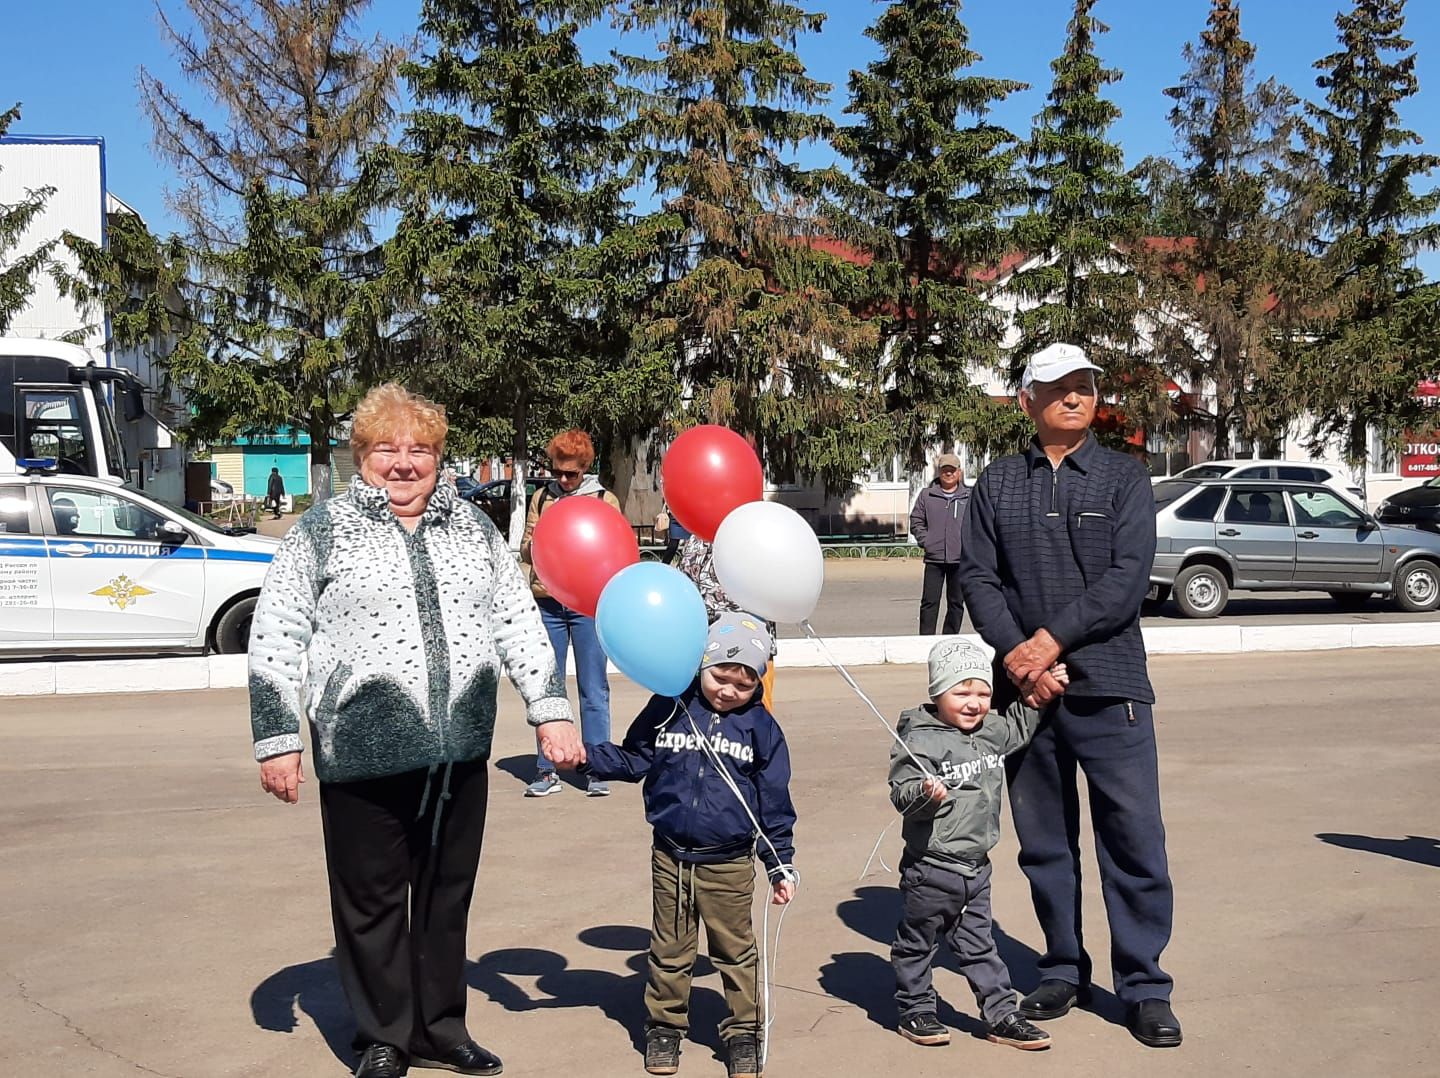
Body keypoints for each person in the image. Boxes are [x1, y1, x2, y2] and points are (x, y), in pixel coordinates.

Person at [248, 383, 583, 1078]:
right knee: (370, 902)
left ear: (438, 455)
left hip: (458, 749)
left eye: (420, 449)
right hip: (360, 748)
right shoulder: (323, 530)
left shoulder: (474, 529)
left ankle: (441, 1029)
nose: (404, 462)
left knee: (444, 896)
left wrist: (549, 711)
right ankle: (384, 1036)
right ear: (361, 455)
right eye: (387, 449)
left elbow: (517, 620)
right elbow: (277, 635)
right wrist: (278, 739)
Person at [958, 342, 1181, 1049]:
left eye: (1084, 385)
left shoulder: (1123, 478)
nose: (1075, 396)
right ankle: (1061, 966)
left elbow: (1125, 581)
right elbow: (978, 580)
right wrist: (1022, 664)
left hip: (1110, 690)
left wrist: (1049, 643)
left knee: (1133, 839)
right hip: (1025, 700)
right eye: (1058, 387)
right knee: (1044, 844)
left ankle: (1143, 985)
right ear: (1028, 400)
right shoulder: (997, 484)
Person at [570, 613, 797, 1078]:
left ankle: (743, 1032)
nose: (728, 690)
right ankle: (664, 1026)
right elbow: (635, 758)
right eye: (720, 676)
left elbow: (772, 802)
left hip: (729, 862)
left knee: (735, 951)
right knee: (670, 948)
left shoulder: (762, 731)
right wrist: (584, 758)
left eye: (744, 683)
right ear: (701, 665)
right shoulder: (670, 706)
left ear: (758, 683)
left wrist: (780, 863)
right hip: (669, 853)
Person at [889, 639, 1061, 1053]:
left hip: (976, 868)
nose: (974, 703)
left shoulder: (991, 730)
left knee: (980, 945)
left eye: (982, 693)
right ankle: (916, 1008)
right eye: (961, 693)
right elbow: (901, 793)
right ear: (937, 693)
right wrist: (924, 793)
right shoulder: (919, 738)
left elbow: (1020, 724)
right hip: (930, 867)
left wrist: (1040, 692)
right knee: (918, 943)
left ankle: (1001, 1015)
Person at [519, 429, 621, 798]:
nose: (563, 480)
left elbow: (615, 551)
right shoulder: (542, 498)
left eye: (571, 474)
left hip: (587, 607)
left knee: (593, 688)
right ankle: (547, 769)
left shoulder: (603, 500)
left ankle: (596, 767)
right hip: (547, 604)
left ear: (585, 469)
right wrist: (546, 536)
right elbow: (525, 549)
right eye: (557, 472)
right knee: (548, 687)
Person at [676, 534, 778, 711]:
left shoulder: (758, 533)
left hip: (752, 653)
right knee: (694, 714)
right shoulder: (697, 539)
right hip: (704, 651)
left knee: (755, 716)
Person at [909, 453, 971, 635]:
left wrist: (968, 546)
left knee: (956, 603)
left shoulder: (969, 496)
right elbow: (916, 520)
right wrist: (926, 541)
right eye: (945, 470)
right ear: (939, 472)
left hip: (960, 560)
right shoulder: (927, 495)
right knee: (929, 602)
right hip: (934, 559)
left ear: (959, 473)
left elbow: (978, 523)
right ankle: (926, 639)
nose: (949, 474)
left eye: (952, 470)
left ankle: (949, 639)